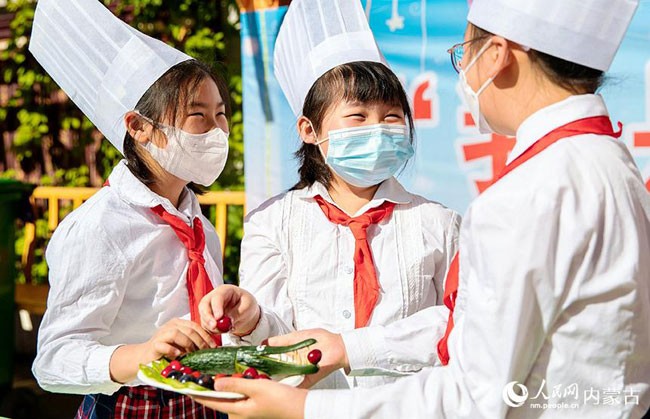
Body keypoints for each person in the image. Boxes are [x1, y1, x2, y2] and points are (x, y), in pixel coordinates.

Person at [194, 0, 650, 417]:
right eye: (358, 116)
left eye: (464, 52)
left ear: (496, 54)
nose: (466, 75)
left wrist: (306, 407)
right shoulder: (612, 166)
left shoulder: (521, 198)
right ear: (309, 129)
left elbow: (472, 392)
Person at [198, 0, 460, 390]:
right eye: (358, 116)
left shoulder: (438, 221)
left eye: (392, 117)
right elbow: (276, 344)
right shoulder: (272, 223)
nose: (379, 127)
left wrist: (352, 347)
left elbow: (459, 324)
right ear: (308, 128)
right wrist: (252, 318)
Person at [30, 0, 229, 417]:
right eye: (198, 115)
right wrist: (141, 354)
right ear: (139, 127)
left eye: (221, 114)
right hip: (130, 404)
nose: (217, 131)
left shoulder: (198, 226)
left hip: (202, 400)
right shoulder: (100, 226)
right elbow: (53, 362)